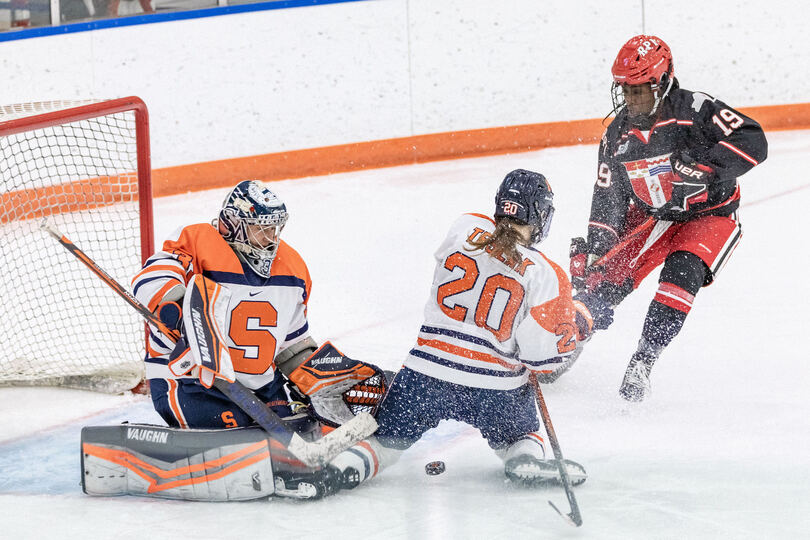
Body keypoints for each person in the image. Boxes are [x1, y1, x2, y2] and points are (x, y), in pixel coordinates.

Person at [323, 169, 614, 492]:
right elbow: (542, 362)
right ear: (540, 214)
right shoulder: (546, 275)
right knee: (520, 436)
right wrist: (579, 320)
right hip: (494, 390)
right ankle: (522, 458)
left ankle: (339, 470)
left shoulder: (463, 227)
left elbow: (481, 255)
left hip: (424, 376)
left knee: (384, 444)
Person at [131, 180, 384, 497]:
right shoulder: (198, 240)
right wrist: (180, 313)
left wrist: (323, 379)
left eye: (275, 228)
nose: (270, 238)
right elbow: (150, 279)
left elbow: (292, 345)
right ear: (233, 224)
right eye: (260, 228)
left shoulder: (292, 267)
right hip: (191, 380)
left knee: (306, 430)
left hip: (261, 386)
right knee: (247, 440)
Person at [569, 35, 768, 402]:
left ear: (662, 82)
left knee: (683, 272)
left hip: (709, 215)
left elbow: (754, 140)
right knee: (600, 281)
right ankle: (566, 340)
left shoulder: (696, 108)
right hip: (650, 217)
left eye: (639, 91)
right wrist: (599, 250)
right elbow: (607, 197)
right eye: (625, 91)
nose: (630, 101)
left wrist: (706, 167)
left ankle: (643, 359)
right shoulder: (617, 136)